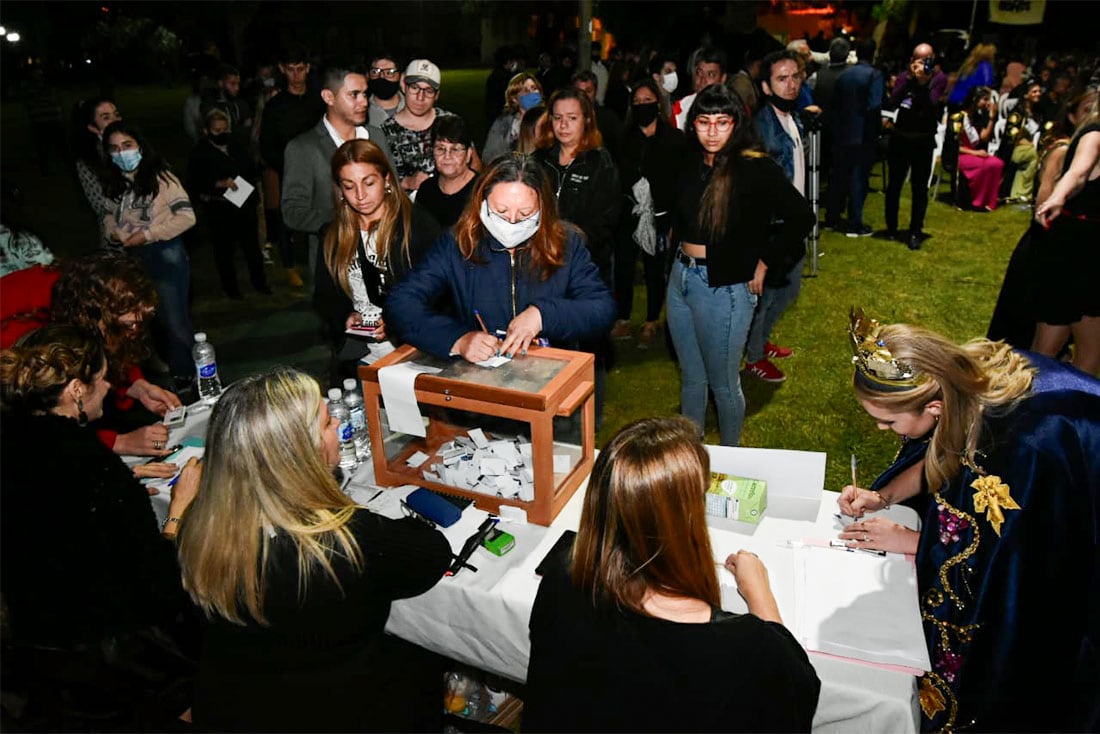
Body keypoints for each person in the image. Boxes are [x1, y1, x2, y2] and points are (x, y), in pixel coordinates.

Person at [837, 309, 1100, 731]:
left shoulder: (1018, 445)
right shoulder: (963, 384)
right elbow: (941, 454)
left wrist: (912, 541)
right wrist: (882, 497)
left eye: (888, 421)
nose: (885, 430)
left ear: (935, 406)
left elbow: (1007, 559)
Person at [177, 367, 452, 731]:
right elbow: (433, 554)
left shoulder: (200, 524)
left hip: (235, 709)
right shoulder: (344, 539)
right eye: (326, 424)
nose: (338, 427)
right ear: (299, 454)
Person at [524, 416, 821, 732]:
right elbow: (795, 686)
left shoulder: (560, 579)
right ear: (684, 518)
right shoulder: (745, 647)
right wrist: (760, 594)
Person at [0, 324, 201, 731]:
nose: (110, 387)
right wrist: (179, 509)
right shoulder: (91, 466)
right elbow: (157, 579)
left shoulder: (14, 441)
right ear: (76, 389)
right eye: (102, 378)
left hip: (36, 648)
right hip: (110, 661)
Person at [668, 84, 814, 446]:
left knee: (723, 383)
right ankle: (691, 457)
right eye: (704, 122)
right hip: (680, 279)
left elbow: (800, 217)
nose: (713, 131)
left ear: (736, 124)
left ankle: (731, 460)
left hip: (724, 289)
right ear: (693, 125)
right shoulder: (689, 161)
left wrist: (765, 262)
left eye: (722, 122)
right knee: (692, 377)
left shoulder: (753, 167)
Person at [385, 153, 615, 364]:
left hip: (553, 372)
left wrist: (543, 315)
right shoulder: (458, 243)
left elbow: (601, 308)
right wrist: (457, 339)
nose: (512, 222)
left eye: (525, 214)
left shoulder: (566, 242)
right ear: (482, 203)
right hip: (485, 380)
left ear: (543, 209)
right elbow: (401, 302)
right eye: (501, 212)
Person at [313, 139, 441, 379]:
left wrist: (394, 323)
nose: (360, 195)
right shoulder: (333, 234)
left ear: (387, 180)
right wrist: (345, 316)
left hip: (414, 354)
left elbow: (440, 295)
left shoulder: (418, 228)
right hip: (358, 358)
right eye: (349, 186)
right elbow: (324, 297)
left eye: (369, 183)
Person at [50, 250, 184, 467]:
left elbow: (109, 351)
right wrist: (119, 442)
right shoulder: (46, 349)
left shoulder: (91, 314)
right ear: (94, 317)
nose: (134, 333)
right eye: (128, 326)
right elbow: (45, 436)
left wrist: (135, 385)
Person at [986, 89, 1097, 351]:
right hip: (1069, 247)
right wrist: (1057, 197)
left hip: (1083, 249)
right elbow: (1077, 175)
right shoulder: (1090, 137)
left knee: (1078, 345)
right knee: (1051, 343)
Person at [98, 120, 197, 391]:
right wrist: (113, 230)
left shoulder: (162, 179)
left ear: (140, 146)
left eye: (127, 146)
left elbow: (187, 217)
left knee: (175, 320)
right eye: (114, 148)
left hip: (164, 255)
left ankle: (187, 375)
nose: (121, 153)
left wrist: (148, 234)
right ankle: (158, 370)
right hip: (132, 259)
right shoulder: (115, 183)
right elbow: (107, 214)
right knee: (145, 322)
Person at [282, 60, 395, 289]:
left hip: (386, 259)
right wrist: (344, 221)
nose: (364, 101)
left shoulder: (375, 137)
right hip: (335, 268)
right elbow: (292, 212)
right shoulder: (304, 148)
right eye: (354, 95)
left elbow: (394, 189)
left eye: (365, 93)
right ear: (328, 97)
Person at [746, 49, 814, 385]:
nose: (791, 85)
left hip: (792, 224)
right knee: (767, 296)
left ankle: (761, 341)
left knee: (787, 292)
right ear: (767, 86)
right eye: (782, 79)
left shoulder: (792, 117)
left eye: (795, 77)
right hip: (773, 229)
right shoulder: (761, 127)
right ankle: (754, 356)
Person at [610, 78, 685, 345]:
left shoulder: (674, 139)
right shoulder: (624, 138)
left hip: (662, 217)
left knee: (656, 270)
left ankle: (652, 319)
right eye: (637, 102)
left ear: (658, 104)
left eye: (647, 101)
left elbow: (679, 182)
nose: (643, 106)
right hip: (628, 216)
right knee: (624, 268)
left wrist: (675, 218)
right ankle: (623, 318)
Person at [1033, 98, 1100, 374]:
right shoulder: (1095, 134)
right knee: (1090, 353)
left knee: (1047, 346)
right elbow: (1078, 172)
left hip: (1072, 244)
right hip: (1083, 249)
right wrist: (1058, 196)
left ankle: (1027, 408)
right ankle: (1064, 410)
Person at [532, 87, 621, 285]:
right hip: (541, 261)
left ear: (587, 120)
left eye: (572, 118)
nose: (563, 125)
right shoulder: (538, 160)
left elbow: (606, 220)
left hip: (586, 266)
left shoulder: (600, 163)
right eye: (557, 118)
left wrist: (566, 234)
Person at [186, 109, 272, 299]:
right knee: (224, 252)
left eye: (225, 129)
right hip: (220, 210)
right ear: (207, 131)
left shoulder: (237, 146)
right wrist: (217, 183)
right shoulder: (200, 153)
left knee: (252, 249)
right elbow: (193, 182)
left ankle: (260, 283)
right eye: (217, 130)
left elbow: (251, 170)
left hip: (245, 205)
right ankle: (231, 288)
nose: (222, 133)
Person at [259, 42, 324, 289]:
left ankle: (318, 263)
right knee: (286, 219)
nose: (296, 75)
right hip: (287, 170)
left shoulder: (318, 100)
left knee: (319, 216)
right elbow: (267, 144)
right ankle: (289, 266)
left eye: (300, 69)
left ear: (307, 69)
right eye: (291, 70)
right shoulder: (275, 106)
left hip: (319, 169)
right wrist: (287, 167)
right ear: (282, 70)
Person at [879, 42, 948, 249]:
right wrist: (910, 80)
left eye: (928, 59)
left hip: (923, 139)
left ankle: (915, 231)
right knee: (894, 185)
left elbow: (932, 106)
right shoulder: (904, 77)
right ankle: (891, 228)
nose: (924, 64)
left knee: (919, 189)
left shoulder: (938, 79)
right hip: (901, 137)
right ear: (912, 60)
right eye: (920, 59)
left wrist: (923, 83)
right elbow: (892, 102)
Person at [73, 96, 123, 248]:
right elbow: (102, 207)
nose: (115, 120)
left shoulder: (136, 145)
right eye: (106, 117)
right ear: (93, 127)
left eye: (116, 114)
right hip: (119, 237)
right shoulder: (89, 162)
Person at [416, 114, 479, 229]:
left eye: (455, 149)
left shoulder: (481, 191)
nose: (447, 156)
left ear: (469, 154)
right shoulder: (426, 190)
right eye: (440, 148)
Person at [955, 86, 1004, 211]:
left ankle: (990, 202)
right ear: (974, 99)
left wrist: (991, 117)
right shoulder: (958, 117)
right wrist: (975, 152)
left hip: (974, 153)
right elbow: (954, 146)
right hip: (961, 154)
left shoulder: (977, 117)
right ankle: (977, 201)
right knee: (985, 165)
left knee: (997, 163)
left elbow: (984, 137)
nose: (987, 103)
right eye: (984, 99)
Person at [996, 79, 1043, 203]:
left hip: (1030, 147)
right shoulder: (1017, 113)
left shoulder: (1038, 113)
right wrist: (1031, 145)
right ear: (1026, 95)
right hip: (1014, 150)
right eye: (1034, 91)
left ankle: (1021, 193)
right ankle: (1022, 192)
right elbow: (1013, 137)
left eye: (1039, 91)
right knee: (1034, 155)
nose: (1038, 93)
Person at [482, 72, 544, 164]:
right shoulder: (504, 123)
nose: (532, 93)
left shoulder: (551, 119)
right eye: (526, 91)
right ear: (514, 99)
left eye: (534, 88)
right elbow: (490, 156)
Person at [947, 43, 996, 111]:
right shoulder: (986, 67)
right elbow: (987, 86)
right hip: (968, 103)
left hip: (953, 99)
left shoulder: (968, 65)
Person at [366, 51, 405, 127]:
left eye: (389, 72)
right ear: (367, 75)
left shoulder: (413, 107)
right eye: (375, 72)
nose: (381, 77)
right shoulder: (360, 109)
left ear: (401, 76)